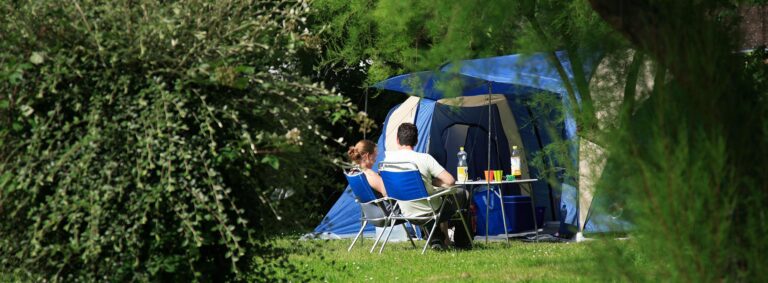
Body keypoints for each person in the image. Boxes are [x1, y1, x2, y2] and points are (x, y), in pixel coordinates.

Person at [382, 123, 470, 250]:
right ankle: (462, 242)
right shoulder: (424, 158)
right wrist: (432, 182)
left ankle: (436, 240)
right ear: (416, 141)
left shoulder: (387, 161)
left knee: (426, 198)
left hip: (405, 211)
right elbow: (450, 181)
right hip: (430, 210)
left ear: (397, 140)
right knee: (463, 194)